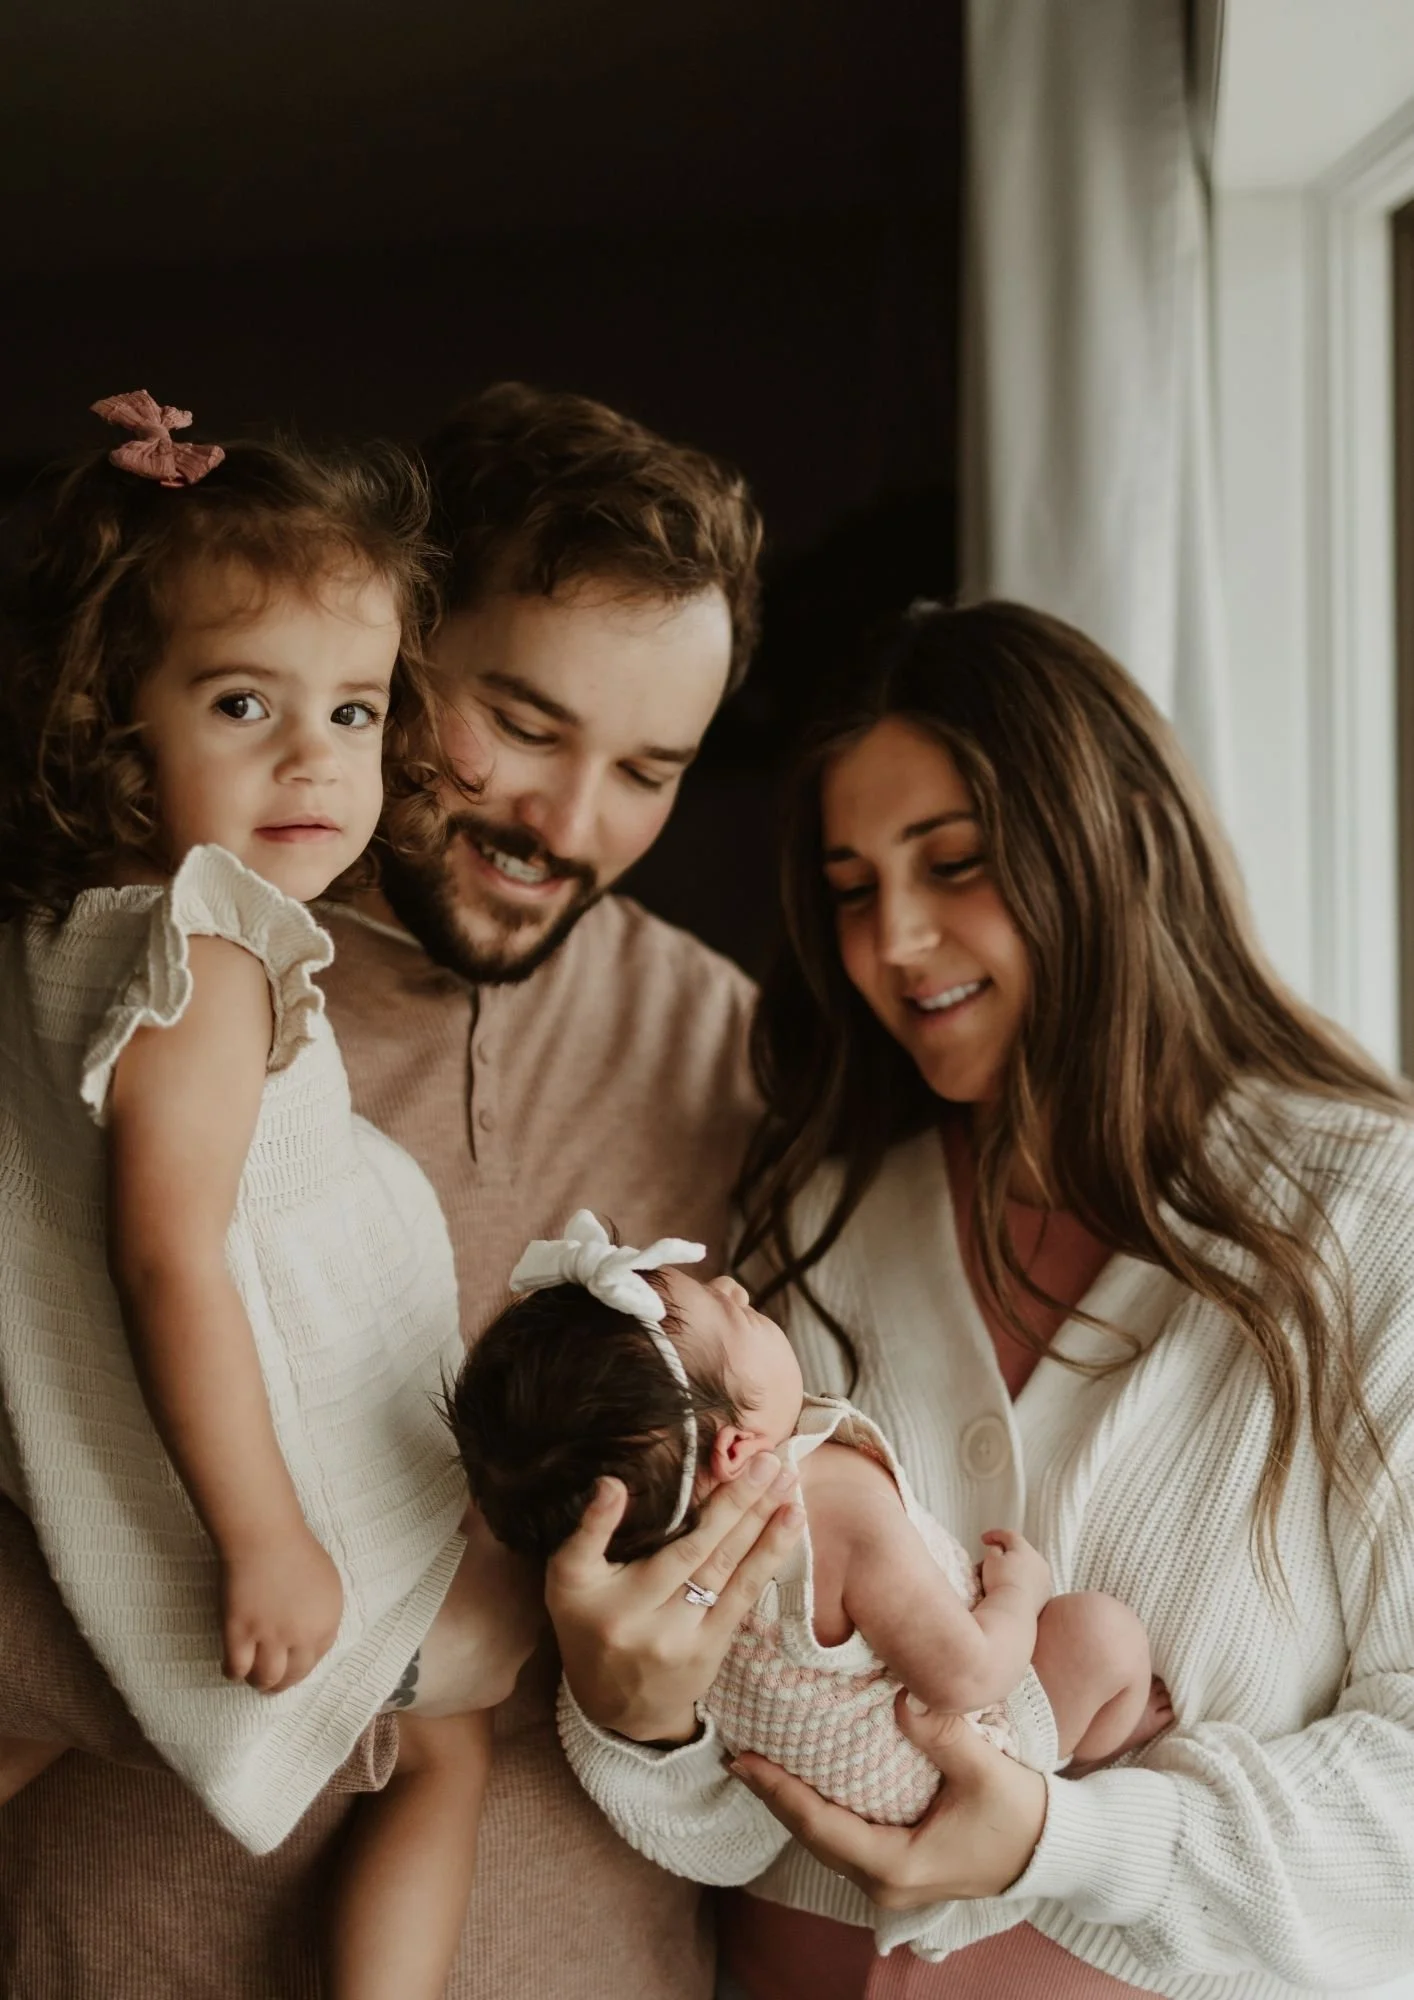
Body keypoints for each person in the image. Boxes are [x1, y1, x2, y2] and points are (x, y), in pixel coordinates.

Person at [0, 384, 797, 2000]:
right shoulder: (110, 989)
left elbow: (773, 1664)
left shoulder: (731, 1057)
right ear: (393, 634)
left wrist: (652, 1706)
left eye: (648, 768)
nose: (569, 825)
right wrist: (382, 1663)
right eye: (520, 720)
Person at [550, 600, 1414, 1998]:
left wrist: (1072, 1841)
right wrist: (639, 1726)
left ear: (1118, 843)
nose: (892, 941)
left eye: (955, 865)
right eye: (848, 888)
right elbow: (731, 1783)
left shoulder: (1374, 1221)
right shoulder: (810, 1227)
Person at [0, 393, 538, 1999]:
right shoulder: (208, 941)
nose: (317, 756)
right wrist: (267, 1537)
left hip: (128, 1454)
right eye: (245, 702)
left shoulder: (66, 931)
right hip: (253, 1471)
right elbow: (170, 1257)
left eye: (359, 712)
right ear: (115, 718)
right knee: (448, 1747)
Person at [451, 1207, 1160, 1849]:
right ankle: (1101, 1752)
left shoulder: (663, 1583)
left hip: (848, 1814)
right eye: (740, 1319)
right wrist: (1020, 1594)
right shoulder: (831, 1508)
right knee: (1102, 1635)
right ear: (737, 1449)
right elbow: (969, 1674)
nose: (734, 1286)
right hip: (963, 1761)